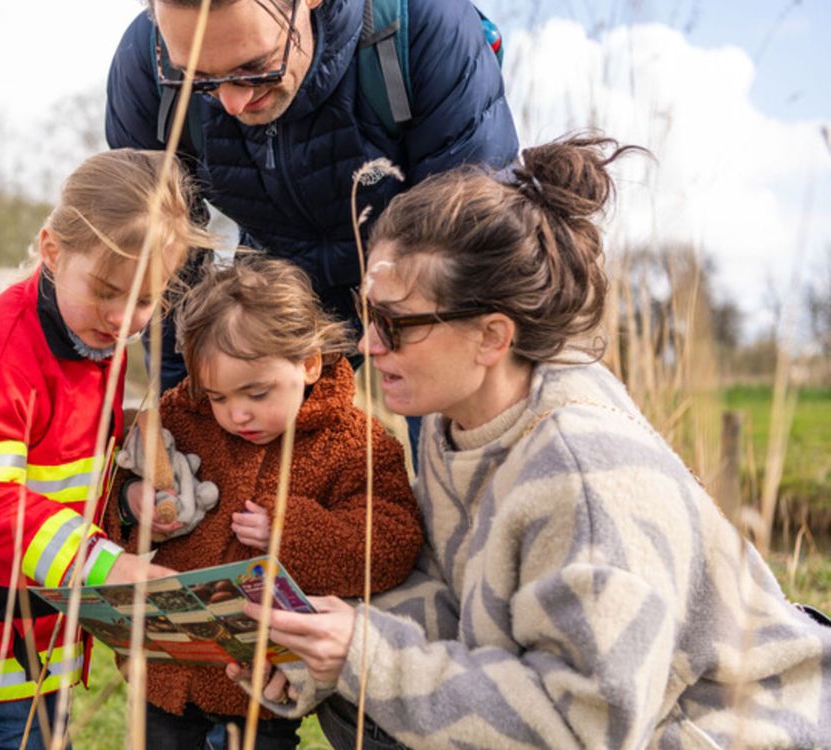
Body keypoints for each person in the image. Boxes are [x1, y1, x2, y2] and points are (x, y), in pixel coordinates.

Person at [237, 135, 831, 748]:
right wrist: (315, 654)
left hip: (724, 733)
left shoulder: (585, 477)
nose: (367, 346)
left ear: (492, 336)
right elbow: (447, 595)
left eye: (395, 324)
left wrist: (367, 659)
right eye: (367, 314)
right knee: (358, 701)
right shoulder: (460, 425)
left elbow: (587, 729)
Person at [0, 149, 212, 749]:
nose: (124, 316)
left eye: (145, 301)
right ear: (51, 251)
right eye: (107, 291)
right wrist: (109, 566)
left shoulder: (94, 336)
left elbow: (69, 466)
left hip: (44, 611)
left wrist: (127, 499)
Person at [106, 0, 520, 403]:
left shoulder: (424, 25)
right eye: (197, 77)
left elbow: (465, 245)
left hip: (416, 271)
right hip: (277, 272)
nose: (232, 103)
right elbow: (163, 265)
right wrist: (182, 407)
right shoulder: (147, 65)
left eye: (254, 67)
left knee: (452, 421)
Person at [102, 255, 423, 748]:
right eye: (218, 397)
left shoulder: (357, 442)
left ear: (309, 363)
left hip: (264, 680)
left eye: (256, 392)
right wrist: (131, 502)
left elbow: (392, 543)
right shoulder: (183, 415)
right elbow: (111, 491)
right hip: (170, 665)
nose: (237, 414)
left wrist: (290, 531)